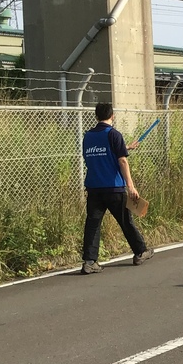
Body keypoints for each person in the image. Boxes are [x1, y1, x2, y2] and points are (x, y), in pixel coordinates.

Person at [80, 102, 153, 274]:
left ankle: (89, 261)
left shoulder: (88, 136)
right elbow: (122, 160)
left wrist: (126, 147)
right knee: (125, 221)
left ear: (96, 116)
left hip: (94, 188)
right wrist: (131, 186)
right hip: (113, 188)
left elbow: (99, 154)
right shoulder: (114, 134)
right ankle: (140, 251)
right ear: (112, 115)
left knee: (92, 224)